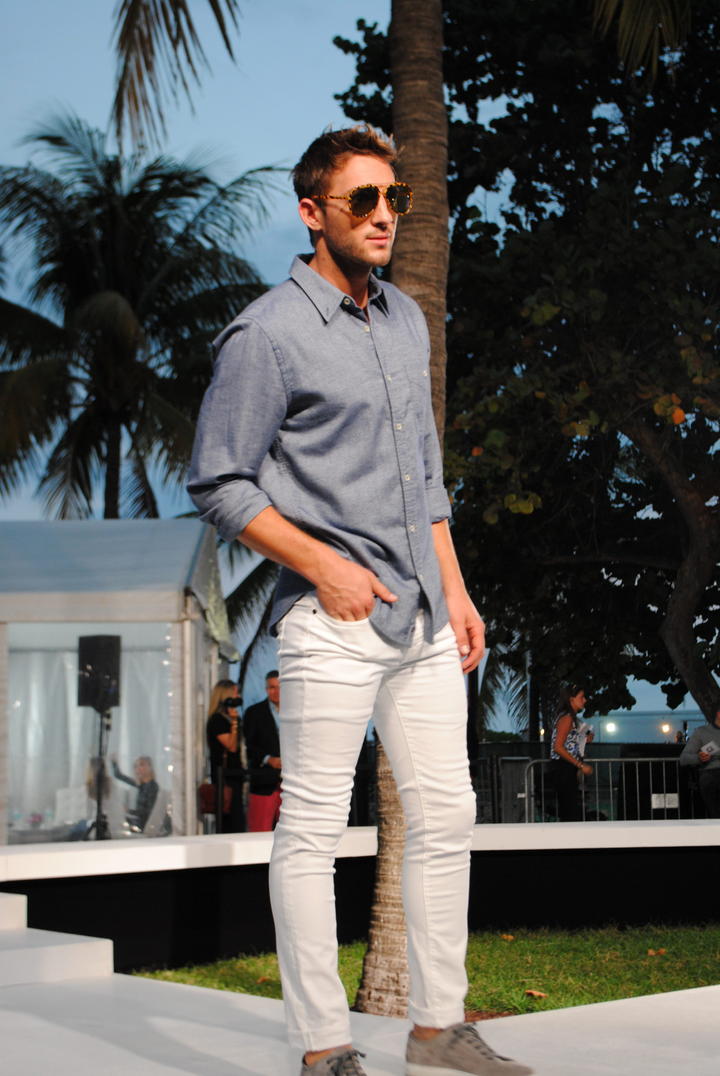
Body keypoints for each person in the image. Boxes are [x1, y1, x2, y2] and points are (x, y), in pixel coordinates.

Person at [188, 125, 532, 1076]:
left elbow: (425, 478)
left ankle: (435, 1027)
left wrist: (456, 590)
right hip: (330, 622)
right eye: (364, 200)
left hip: (423, 620)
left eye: (396, 199)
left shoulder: (406, 320)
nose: (385, 216)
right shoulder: (266, 334)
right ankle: (324, 1046)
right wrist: (325, 567)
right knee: (312, 832)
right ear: (313, 213)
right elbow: (219, 481)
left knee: (446, 817)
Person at [243, 670, 282, 832]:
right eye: (272, 687)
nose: (276, 691)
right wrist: (268, 759)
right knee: (260, 833)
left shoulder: (297, 712)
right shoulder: (253, 713)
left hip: (292, 785)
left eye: (280, 687)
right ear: (266, 689)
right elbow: (249, 745)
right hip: (264, 782)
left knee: (293, 834)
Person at [206, 679, 246, 833]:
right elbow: (231, 746)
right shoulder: (217, 720)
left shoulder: (231, 718)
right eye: (234, 693)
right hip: (225, 778)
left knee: (238, 820)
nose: (237, 696)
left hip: (235, 775)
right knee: (230, 821)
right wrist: (234, 723)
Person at [549, 685, 593, 822]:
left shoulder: (570, 718)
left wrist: (584, 739)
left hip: (566, 767)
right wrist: (580, 765)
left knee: (570, 810)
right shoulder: (567, 718)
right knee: (570, 812)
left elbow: (569, 742)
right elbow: (558, 747)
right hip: (563, 768)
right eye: (581, 697)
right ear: (571, 699)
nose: (585, 700)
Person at [679, 708, 720, 817]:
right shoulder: (701, 732)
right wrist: (699, 758)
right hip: (711, 773)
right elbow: (684, 758)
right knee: (710, 781)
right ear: (718, 714)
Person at [110, 754, 159, 832]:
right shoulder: (141, 785)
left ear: (149, 767)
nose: (138, 768)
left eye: (141, 765)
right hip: (138, 824)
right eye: (136, 766)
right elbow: (118, 775)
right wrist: (114, 762)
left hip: (143, 827)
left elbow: (148, 813)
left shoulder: (152, 787)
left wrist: (129, 811)